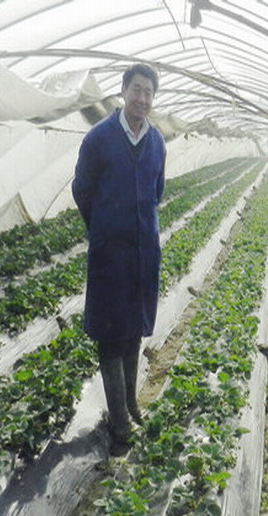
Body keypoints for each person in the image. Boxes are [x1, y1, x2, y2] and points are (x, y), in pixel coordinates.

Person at [72, 63, 166, 455]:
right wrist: (103, 228)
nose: (142, 99)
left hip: (143, 252)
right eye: (137, 90)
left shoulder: (156, 142)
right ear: (124, 91)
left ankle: (130, 402)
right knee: (111, 335)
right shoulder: (99, 138)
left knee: (133, 330)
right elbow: (82, 189)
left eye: (148, 92)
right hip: (111, 254)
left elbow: (157, 191)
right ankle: (120, 423)